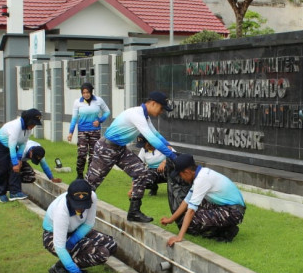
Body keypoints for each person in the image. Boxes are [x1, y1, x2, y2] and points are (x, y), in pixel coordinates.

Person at [85, 91, 177, 223]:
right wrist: (172, 156)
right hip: (106, 148)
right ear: (153, 103)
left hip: (120, 149)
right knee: (91, 184)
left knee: (141, 172)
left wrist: (169, 147)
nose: (162, 112)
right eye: (161, 108)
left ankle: (134, 212)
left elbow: (156, 135)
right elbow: (152, 139)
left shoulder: (145, 117)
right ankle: (75, 210)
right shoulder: (137, 114)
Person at [43, 178, 118, 273]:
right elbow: (59, 246)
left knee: (111, 245)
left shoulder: (92, 196)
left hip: (76, 229)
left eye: (84, 205)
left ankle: (66, 263)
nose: (80, 209)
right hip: (53, 236)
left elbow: (89, 223)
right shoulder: (61, 211)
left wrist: (72, 242)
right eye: (77, 205)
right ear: (69, 199)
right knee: (102, 254)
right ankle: (60, 268)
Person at [160, 153, 246, 246]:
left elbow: (191, 211)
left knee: (192, 219)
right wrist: (170, 220)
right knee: (191, 211)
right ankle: (221, 228)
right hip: (227, 207)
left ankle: (227, 230)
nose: (182, 178)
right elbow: (186, 201)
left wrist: (179, 237)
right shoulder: (201, 174)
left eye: (181, 175)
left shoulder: (202, 179)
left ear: (187, 172)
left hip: (234, 212)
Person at [0, 108, 43, 203]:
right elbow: (12, 145)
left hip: (12, 147)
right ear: (27, 120)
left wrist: (18, 159)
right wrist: (15, 162)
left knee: (16, 168)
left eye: (35, 124)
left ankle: (15, 192)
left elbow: (23, 143)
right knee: (2, 169)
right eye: (33, 123)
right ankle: (2, 193)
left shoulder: (28, 129)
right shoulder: (16, 126)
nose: (33, 126)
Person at [67, 82, 111, 178]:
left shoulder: (98, 100)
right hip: (82, 131)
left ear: (91, 92)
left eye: (87, 92)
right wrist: (70, 132)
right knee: (82, 154)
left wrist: (100, 121)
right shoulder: (77, 102)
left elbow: (107, 112)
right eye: (83, 93)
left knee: (93, 155)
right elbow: (74, 118)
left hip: (95, 131)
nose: (86, 94)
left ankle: (89, 175)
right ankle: (79, 174)